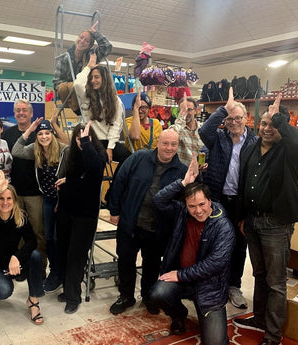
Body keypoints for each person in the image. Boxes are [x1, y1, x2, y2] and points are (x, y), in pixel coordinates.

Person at [233, 94, 298, 345]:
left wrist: (279, 118)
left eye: (272, 124)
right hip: (253, 221)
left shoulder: (289, 150)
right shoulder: (253, 147)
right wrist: (243, 217)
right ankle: (260, 319)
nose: (266, 128)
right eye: (263, 123)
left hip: (276, 224)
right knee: (259, 275)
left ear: (282, 127)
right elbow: (244, 183)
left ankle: (273, 335)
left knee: (276, 282)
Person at [149, 155, 235, 344]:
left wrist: (180, 275)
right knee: (157, 294)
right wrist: (183, 183)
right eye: (192, 206)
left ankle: (206, 314)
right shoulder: (181, 212)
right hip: (183, 281)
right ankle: (179, 314)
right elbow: (159, 200)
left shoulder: (224, 227)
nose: (198, 210)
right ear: (186, 206)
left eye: (202, 204)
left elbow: (213, 265)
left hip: (209, 289)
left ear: (210, 201)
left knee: (215, 343)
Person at [108, 129, 187, 315]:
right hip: (130, 222)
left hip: (158, 229)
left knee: (152, 264)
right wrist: (114, 210)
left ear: (178, 146)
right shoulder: (138, 158)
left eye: (173, 144)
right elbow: (119, 182)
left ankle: (148, 296)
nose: (168, 148)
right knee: (126, 261)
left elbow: (184, 202)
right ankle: (126, 296)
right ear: (157, 143)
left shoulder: (182, 171)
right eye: (165, 143)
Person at [199, 87, 257, 309]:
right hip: (218, 199)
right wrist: (224, 108)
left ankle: (234, 285)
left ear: (246, 119)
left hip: (241, 202)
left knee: (238, 245)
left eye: (238, 118)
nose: (234, 122)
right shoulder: (218, 138)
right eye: (230, 119)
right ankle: (214, 284)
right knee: (214, 243)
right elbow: (205, 130)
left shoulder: (254, 142)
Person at [0, 171, 45, 324]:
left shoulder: (20, 217)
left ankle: (33, 301)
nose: (5, 202)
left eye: (9, 198)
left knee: (35, 255)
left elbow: (32, 241)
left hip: (7, 265)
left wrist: (17, 256)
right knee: (5, 290)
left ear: (15, 200)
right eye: (1, 198)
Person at [12, 117, 69, 293]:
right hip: (48, 200)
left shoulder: (62, 150)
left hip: (63, 200)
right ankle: (54, 272)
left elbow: (77, 165)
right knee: (49, 237)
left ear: (52, 134)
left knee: (58, 238)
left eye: (47, 133)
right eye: (41, 134)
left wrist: (68, 179)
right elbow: (16, 150)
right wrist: (30, 129)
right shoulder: (34, 150)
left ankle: (60, 272)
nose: (44, 137)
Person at [55, 121, 107, 313]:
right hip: (67, 211)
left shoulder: (98, 155)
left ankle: (73, 297)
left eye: (85, 137)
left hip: (85, 216)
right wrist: (68, 181)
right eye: (78, 137)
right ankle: (69, 289)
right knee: (63, 251)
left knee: (76, 256)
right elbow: (80, 179)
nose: (81, 141)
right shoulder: (72, 155)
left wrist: (86, 142)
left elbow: (94, 170)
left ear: (92, 138)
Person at [2, 99, 47, 276]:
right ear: (14, 114)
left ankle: (40, 267)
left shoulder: (40, 133)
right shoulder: (8, 134)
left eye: (24, 110)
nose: (21, 113)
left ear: (30, 113)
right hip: (14, 192)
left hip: (35, 193)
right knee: (18, 232)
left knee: (38, 232)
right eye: (18, 110)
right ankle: (20, 266)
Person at [73, 53, 130, 166]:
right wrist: (89, 66)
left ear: (104, 79)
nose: (93, 80)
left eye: (97, 77)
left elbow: (116, 125)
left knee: (130, 160)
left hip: (107, 142)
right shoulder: (87, 96)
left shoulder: (115, 101)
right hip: (91, 141)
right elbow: (78, 84)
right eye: (91, 77)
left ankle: (117, 184)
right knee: (95, 164)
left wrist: (110, 148)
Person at [53, 20, 112, 113]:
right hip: (68, 95)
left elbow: (107, 47)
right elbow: (56, 82)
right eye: (81, 37)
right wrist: (71, 86)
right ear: (77, 38)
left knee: (77, 85)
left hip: (86, 92)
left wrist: (95, 33)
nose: (82, 41)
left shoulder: (92, 56)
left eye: (87, 41)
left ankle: (80, 111)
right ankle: (78, 111)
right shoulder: (64, 58)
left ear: (90, 45)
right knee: (65, 86)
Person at [169, 94, 204, 167]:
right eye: (183, 110)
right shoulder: (174, 129)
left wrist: (204, 163)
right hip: (180, 174)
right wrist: (181, 119)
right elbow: (171, 139)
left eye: (189, 110)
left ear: (195, 111)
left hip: (199, 175)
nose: (186, 113)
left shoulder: (203, 129)